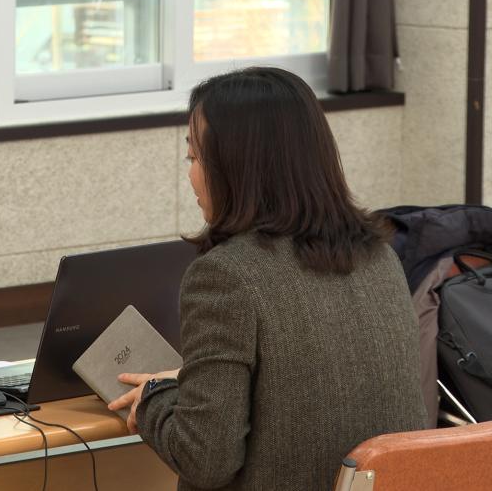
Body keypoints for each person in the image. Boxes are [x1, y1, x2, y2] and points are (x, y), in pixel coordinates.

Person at [108, 67, 425, 490]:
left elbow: (206, 459)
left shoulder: (226, 276)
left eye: (196, 158)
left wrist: (154, 395)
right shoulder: (380, 258)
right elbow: (307, 387)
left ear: (238, 168)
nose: (191, 174)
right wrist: (190, 380)